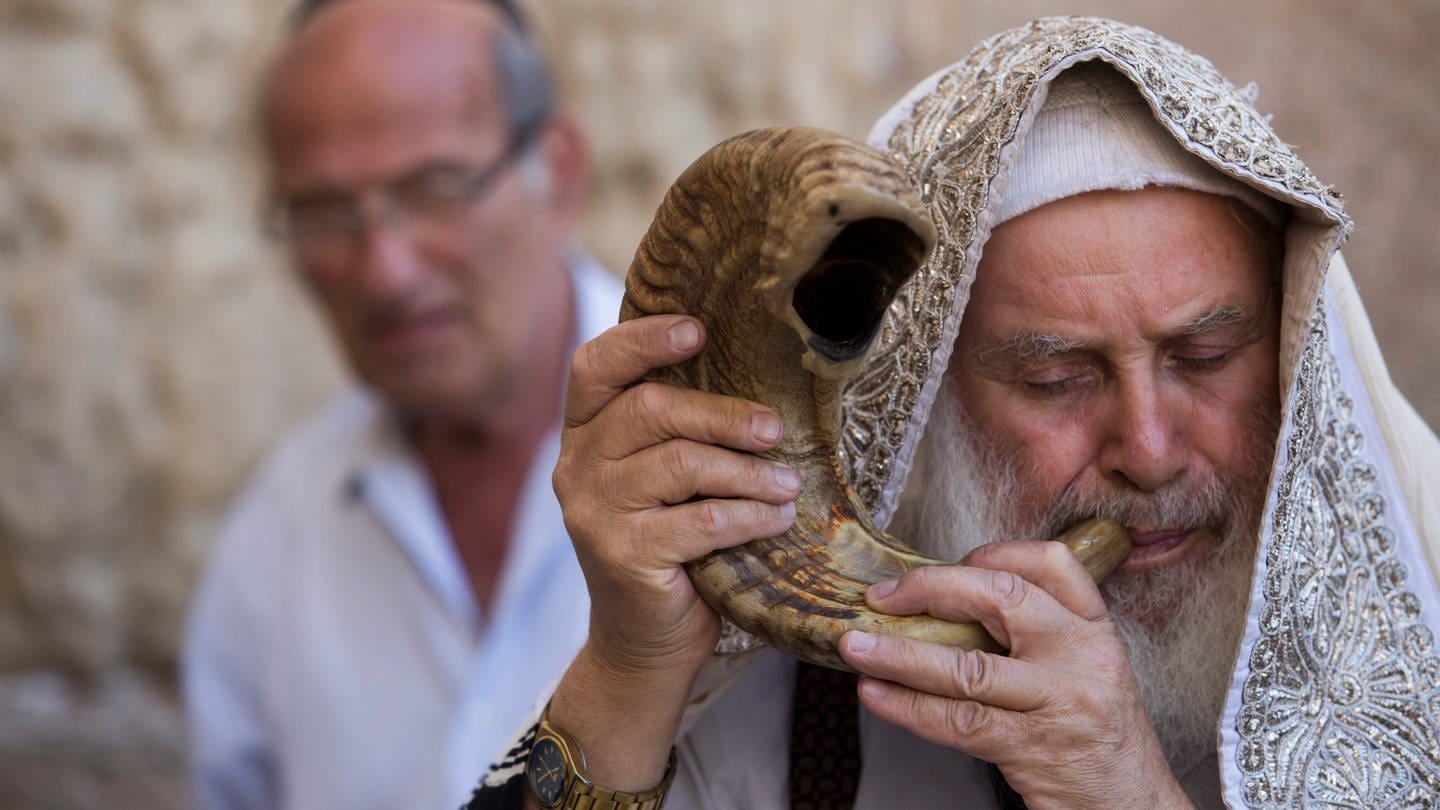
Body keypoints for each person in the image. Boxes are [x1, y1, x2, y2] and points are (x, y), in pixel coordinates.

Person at [462, 16, 1440, 810]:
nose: (1147, 449)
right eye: (1057, 377)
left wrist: (1122, 791)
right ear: (926, 402)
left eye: (1206, 357)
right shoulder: (790, 730)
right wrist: (633, 669)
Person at [180, 0, 620, 808]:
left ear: (558, 172)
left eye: (435, 189)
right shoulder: (276, 541)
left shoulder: (741, 460)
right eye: (321, 213)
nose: (384, 271)